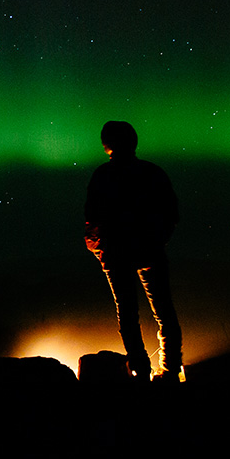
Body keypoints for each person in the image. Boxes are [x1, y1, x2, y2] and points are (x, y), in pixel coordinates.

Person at [84, 120, 183, 382]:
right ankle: (170, 370)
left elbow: (91, 220)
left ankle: (140, 371)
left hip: (116, 253)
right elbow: (171, 214)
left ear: (107, 144)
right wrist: (157, 240)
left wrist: (99, 250)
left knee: (127, 312)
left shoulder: (102, 175)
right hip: (149, 249)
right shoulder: (152, 172)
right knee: (164, 310)